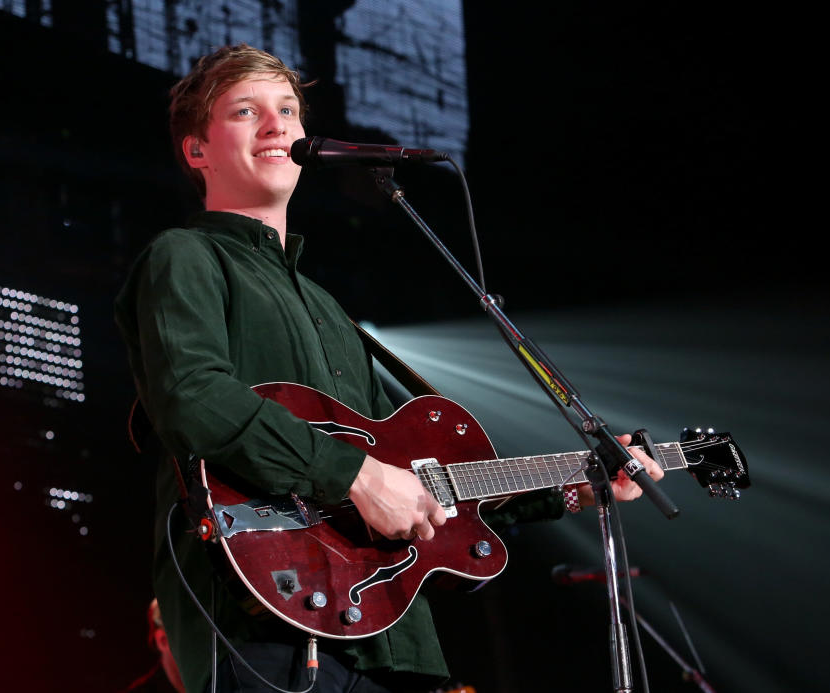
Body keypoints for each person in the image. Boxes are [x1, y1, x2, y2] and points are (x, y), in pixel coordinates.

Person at [114, 44, 664, 693]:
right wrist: (353, 473)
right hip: (261, 625)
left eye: (287, 110)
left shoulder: (329, 309)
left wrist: (580, 482)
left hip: (389, 639)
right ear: (196, 149)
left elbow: (419, 483)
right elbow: (192, 398)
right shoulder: (185, 257)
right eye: (246, 110)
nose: (276, 126)